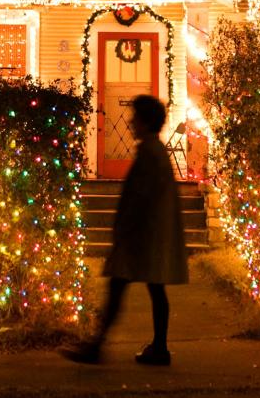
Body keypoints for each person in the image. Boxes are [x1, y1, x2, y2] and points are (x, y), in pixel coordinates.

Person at [62, 94, 189, 365]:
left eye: (135, 118)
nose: (130, 122)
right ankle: (157, 347)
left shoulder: (149, 153)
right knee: (153, 288)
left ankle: (98, 346)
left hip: (143, 236)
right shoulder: (155, 151)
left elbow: (140, 197)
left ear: (144, 122)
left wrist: (124, 230)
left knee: (121, 286)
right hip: (151, 235)